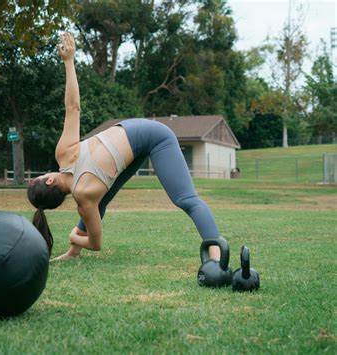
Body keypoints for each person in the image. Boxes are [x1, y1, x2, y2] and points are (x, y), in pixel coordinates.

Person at [27, 32, 222, 261]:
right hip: (135, 133)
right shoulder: (65, 154)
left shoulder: (85, 200)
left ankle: (217, 256)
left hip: (155, 136)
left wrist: (75, 237)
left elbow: (95, 243)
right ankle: (218, 256)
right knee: (184, 200)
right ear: (49, 180)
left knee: (184, 200)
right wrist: (69, 62)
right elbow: (73, 107)